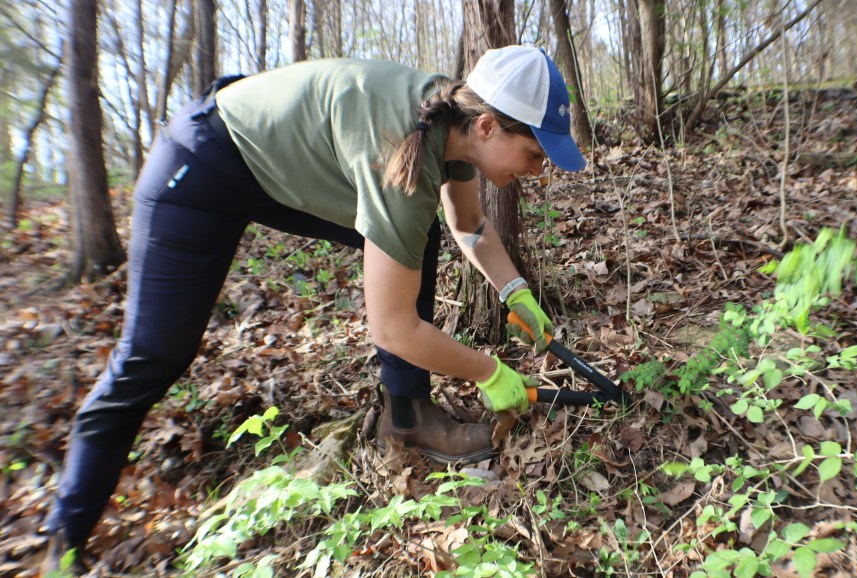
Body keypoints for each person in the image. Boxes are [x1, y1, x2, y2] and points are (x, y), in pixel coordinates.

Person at [41, 44, 586, 573]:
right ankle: (65, 534)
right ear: (489, 125)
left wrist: (514, 290)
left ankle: (408, 415)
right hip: (199, 165)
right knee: (155, 354)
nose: (538, 170)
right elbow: (394, 328)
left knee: (416, 238)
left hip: (263, 169)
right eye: (535, 154)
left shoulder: (454, 128)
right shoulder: (404, 145)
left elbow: (467, 225)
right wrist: (488, 371)